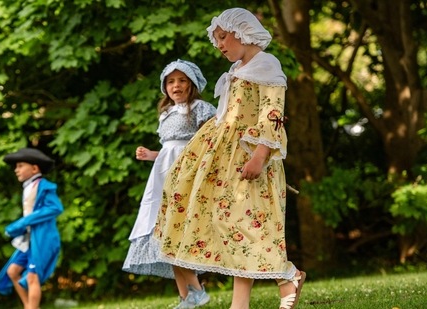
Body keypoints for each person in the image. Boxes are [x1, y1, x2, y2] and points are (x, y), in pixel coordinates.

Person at [153, 8, 306, 309]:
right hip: (223, 156)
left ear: (242, 31)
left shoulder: (267, 65)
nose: (220, 45)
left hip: (249, 154)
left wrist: (260, 156)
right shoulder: (235, 71)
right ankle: (254, 296)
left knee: (243, 221)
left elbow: (272, 115)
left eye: (223, 37)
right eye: (217, 40)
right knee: (225, 220)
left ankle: (284, 278)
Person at [122, 59, 216, 308]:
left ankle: (196, 290)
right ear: (165, 86)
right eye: (171, 81)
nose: (176, 85)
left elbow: (208, 142)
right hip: (163, 177)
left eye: (182, 80)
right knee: (162, 233)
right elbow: (168, 151)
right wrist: (150, 155)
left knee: (176, 231)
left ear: (192, 83)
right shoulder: (166, 113)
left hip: (187, 175)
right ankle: (186, 297)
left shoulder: (200, 108)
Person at [0, 148, 64, 309]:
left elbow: (55, 208)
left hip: (43, 240)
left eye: (21, 165)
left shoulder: (44, 186)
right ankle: (29, 306)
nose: (16, 170)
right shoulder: (28, 187)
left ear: (35, 168)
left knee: (32, 278)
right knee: (12, 272)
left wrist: (22, 223)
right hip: (29, 241)